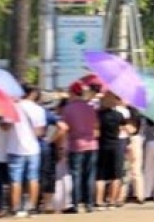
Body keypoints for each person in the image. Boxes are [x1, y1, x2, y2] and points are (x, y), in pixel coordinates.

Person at [3, 84, 46, 217]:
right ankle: (32, 208)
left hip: (15, 147)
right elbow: (40, 132)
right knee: (33, 178)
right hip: (33, 148)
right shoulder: (38, 109)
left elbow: (6, 126)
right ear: (32, 93)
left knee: (15, 180)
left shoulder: (12, 107)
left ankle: (16, 208)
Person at [61, 82, 98, 213]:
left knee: (76, 175)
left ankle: (75, 204)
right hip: (92, 144)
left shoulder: (68, 109)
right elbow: (95, 126)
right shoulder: (90, 108)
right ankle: (89, 204)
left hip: (76, 145)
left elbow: (65, 128)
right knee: (90, 175)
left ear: (72, 93)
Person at [95, 92, 126, 209]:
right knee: (116, 175)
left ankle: (99, 201)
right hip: (116, 145)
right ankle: (112, 201)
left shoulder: (97, 115)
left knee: (100, 176)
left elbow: (96, 131)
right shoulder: (119, 115)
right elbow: (125, 128)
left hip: (102, 145)